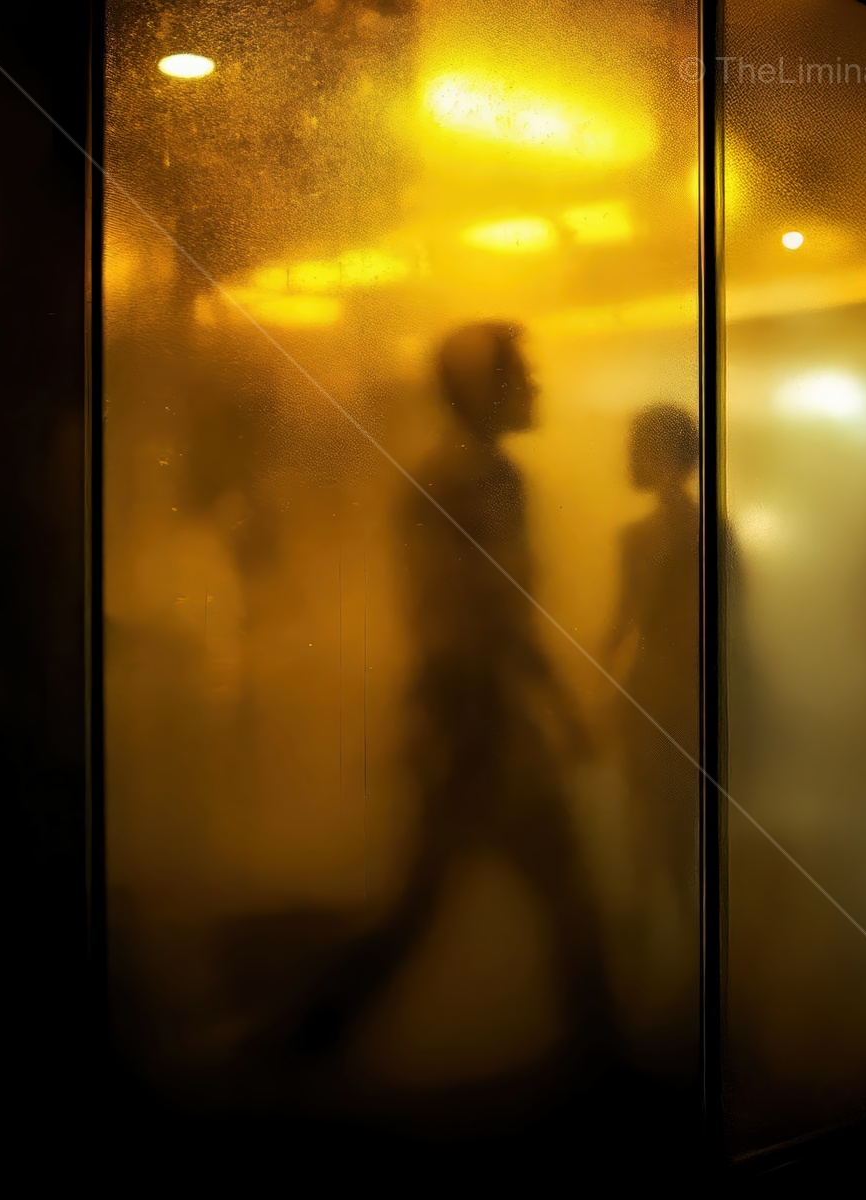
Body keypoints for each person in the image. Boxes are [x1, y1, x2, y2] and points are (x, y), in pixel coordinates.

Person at [273, 322, 617, 1074]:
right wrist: (526, 718)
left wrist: (549, 710)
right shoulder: (462, 483)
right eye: (522, 373)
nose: (537, 385)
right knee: (547, 899)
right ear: (483, 389)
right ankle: (604, 1068)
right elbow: (470, 618)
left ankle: (304, 1037)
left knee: (438, 907)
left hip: (480, 725)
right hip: (474, 728)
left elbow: (508, 613)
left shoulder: (489, 478)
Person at [601, 403, 701, 949]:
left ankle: (674, 932)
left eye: (640, 447)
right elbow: (623, 620)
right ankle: (670, 931)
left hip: (669, 694)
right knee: (658, 817)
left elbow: (625, 622)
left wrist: (596, 684)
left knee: (663, 818)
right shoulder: (653, 535)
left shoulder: (683, 534)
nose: (630, 459)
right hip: (660, 692)